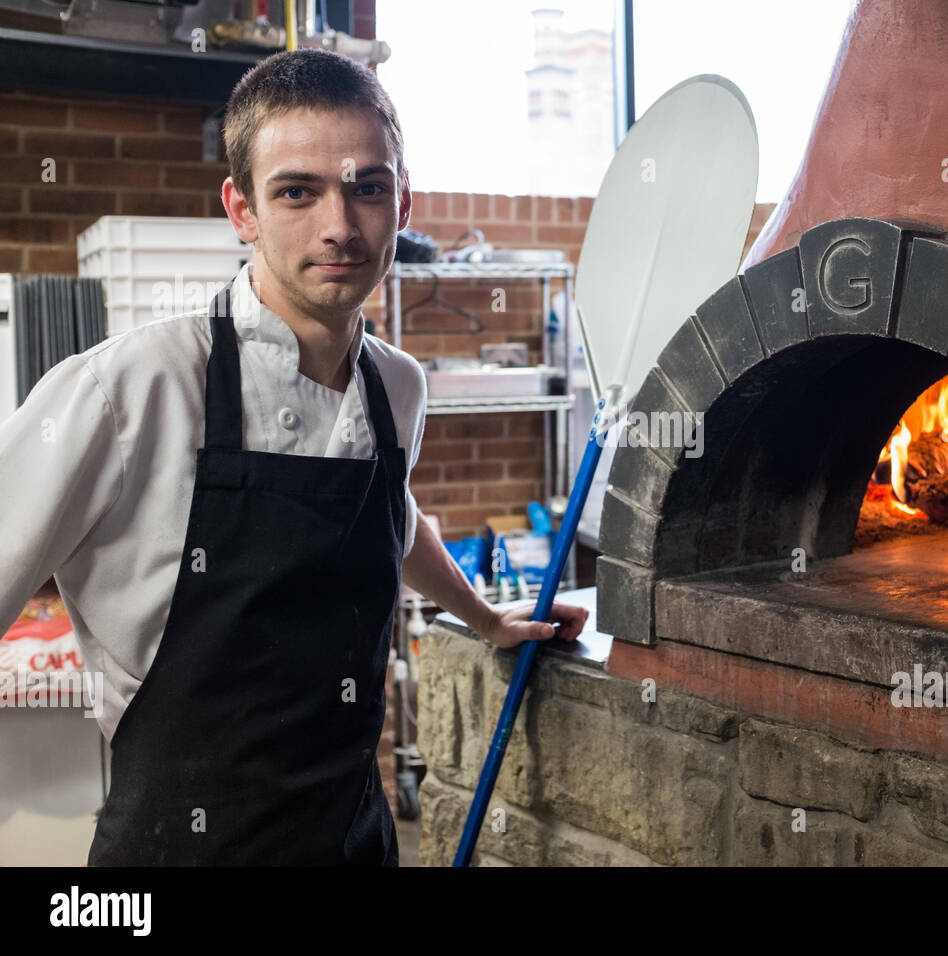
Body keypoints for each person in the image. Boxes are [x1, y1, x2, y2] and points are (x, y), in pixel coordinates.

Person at [0, 48, 588, 866]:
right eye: (297, 192)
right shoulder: (126, 390)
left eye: (367, 188)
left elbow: (394, 515)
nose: (340, 226)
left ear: (402, 199)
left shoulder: (398, 386)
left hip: (351, 839)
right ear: (241, 209)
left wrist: (485, 618)